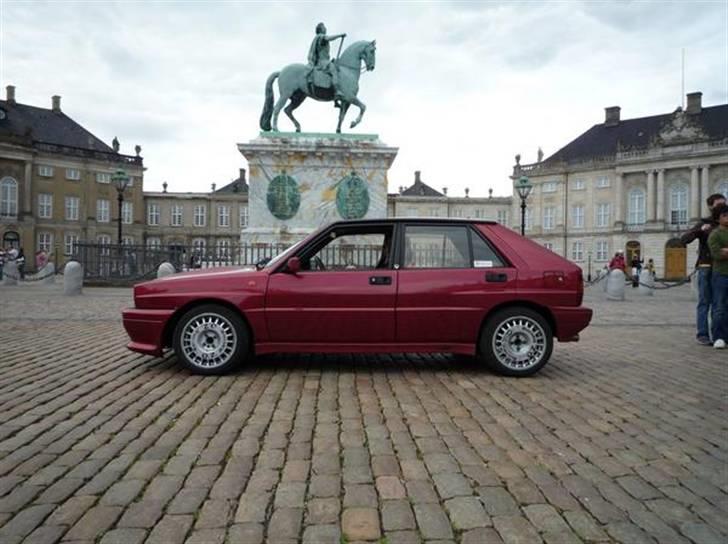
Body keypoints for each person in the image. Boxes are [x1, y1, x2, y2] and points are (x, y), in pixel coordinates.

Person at [681, 193, 727, 345]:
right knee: (704, 302)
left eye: (724, 204)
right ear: (711, 207)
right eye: (719, 204)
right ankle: (702, 333)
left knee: (719, 303)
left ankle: (718, 335)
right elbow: (684, 239)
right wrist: (699, 230)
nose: (723, 208)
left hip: (721, 269)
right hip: (706, 267)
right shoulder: (703, 223)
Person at [308, 22, 346, 104]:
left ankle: (335, 100)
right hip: (323, 61)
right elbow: (329, 38)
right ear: (321, 29)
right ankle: (337, 91)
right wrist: (340, 35)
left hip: (324, 60)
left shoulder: (318, 38)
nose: (326, 29)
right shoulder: (320, 36)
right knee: (333, 70)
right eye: (324, 27)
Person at [707, 203, 728, 349]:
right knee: (719, 307)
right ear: (718, 218)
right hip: (720, 274)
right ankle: (718, 337)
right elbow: (717, 254)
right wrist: (723, 252)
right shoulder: (715, 234)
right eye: (724, 215)